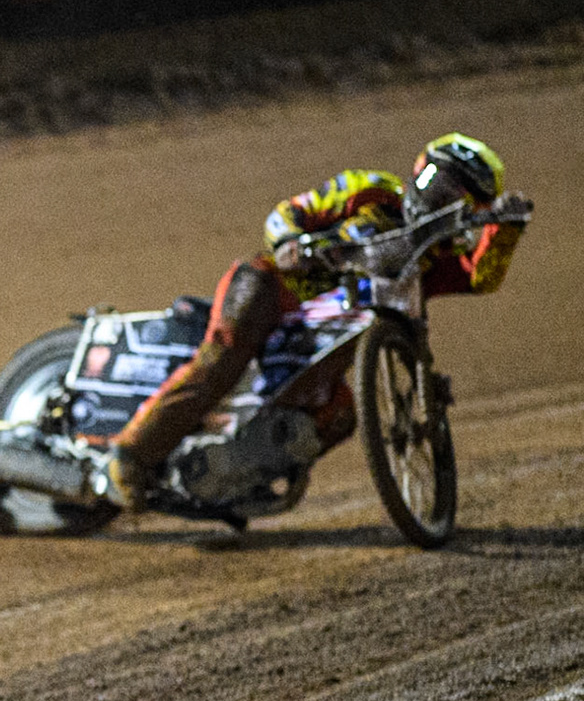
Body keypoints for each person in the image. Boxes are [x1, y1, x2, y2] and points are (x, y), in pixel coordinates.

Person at [104, 133, 531, 508]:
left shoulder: (435, 257)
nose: (439, 199)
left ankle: (239, 478)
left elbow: (480, 276)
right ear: (418, 170)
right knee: (224, 358)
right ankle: (129, 456)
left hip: (321, 335)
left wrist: (505, 230)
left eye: (458, 197)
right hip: (272, 289)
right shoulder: (371, 190)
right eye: (435, 183)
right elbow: (289, 212)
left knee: (339, 413)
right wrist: (291, 241)